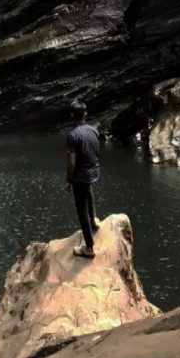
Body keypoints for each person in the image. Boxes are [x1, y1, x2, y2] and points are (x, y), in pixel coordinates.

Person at [64, 102, 101, 258]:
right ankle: (94, 220)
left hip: (82, 175)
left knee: (81, 210)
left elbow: (72, 162)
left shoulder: (72, 135)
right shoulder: (94, 130)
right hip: (95, 171)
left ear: (72, 115)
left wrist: (68, 179)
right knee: (88, 189)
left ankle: (89, 248)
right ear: (85, 113)